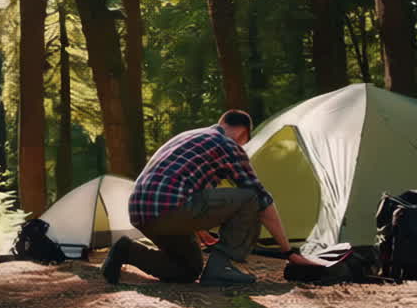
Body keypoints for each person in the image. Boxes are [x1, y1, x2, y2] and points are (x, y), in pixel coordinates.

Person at [102, 109, 315, 286]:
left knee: (187, 270)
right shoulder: (227, 144)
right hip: (171, 209)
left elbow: (182, 184)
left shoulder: (187, 137)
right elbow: (261, 199)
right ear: (243, 134)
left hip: (142, 212)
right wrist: (288, 252)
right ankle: (221, 266)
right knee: (250, 198)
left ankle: (127, 250)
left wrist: (199, 227)